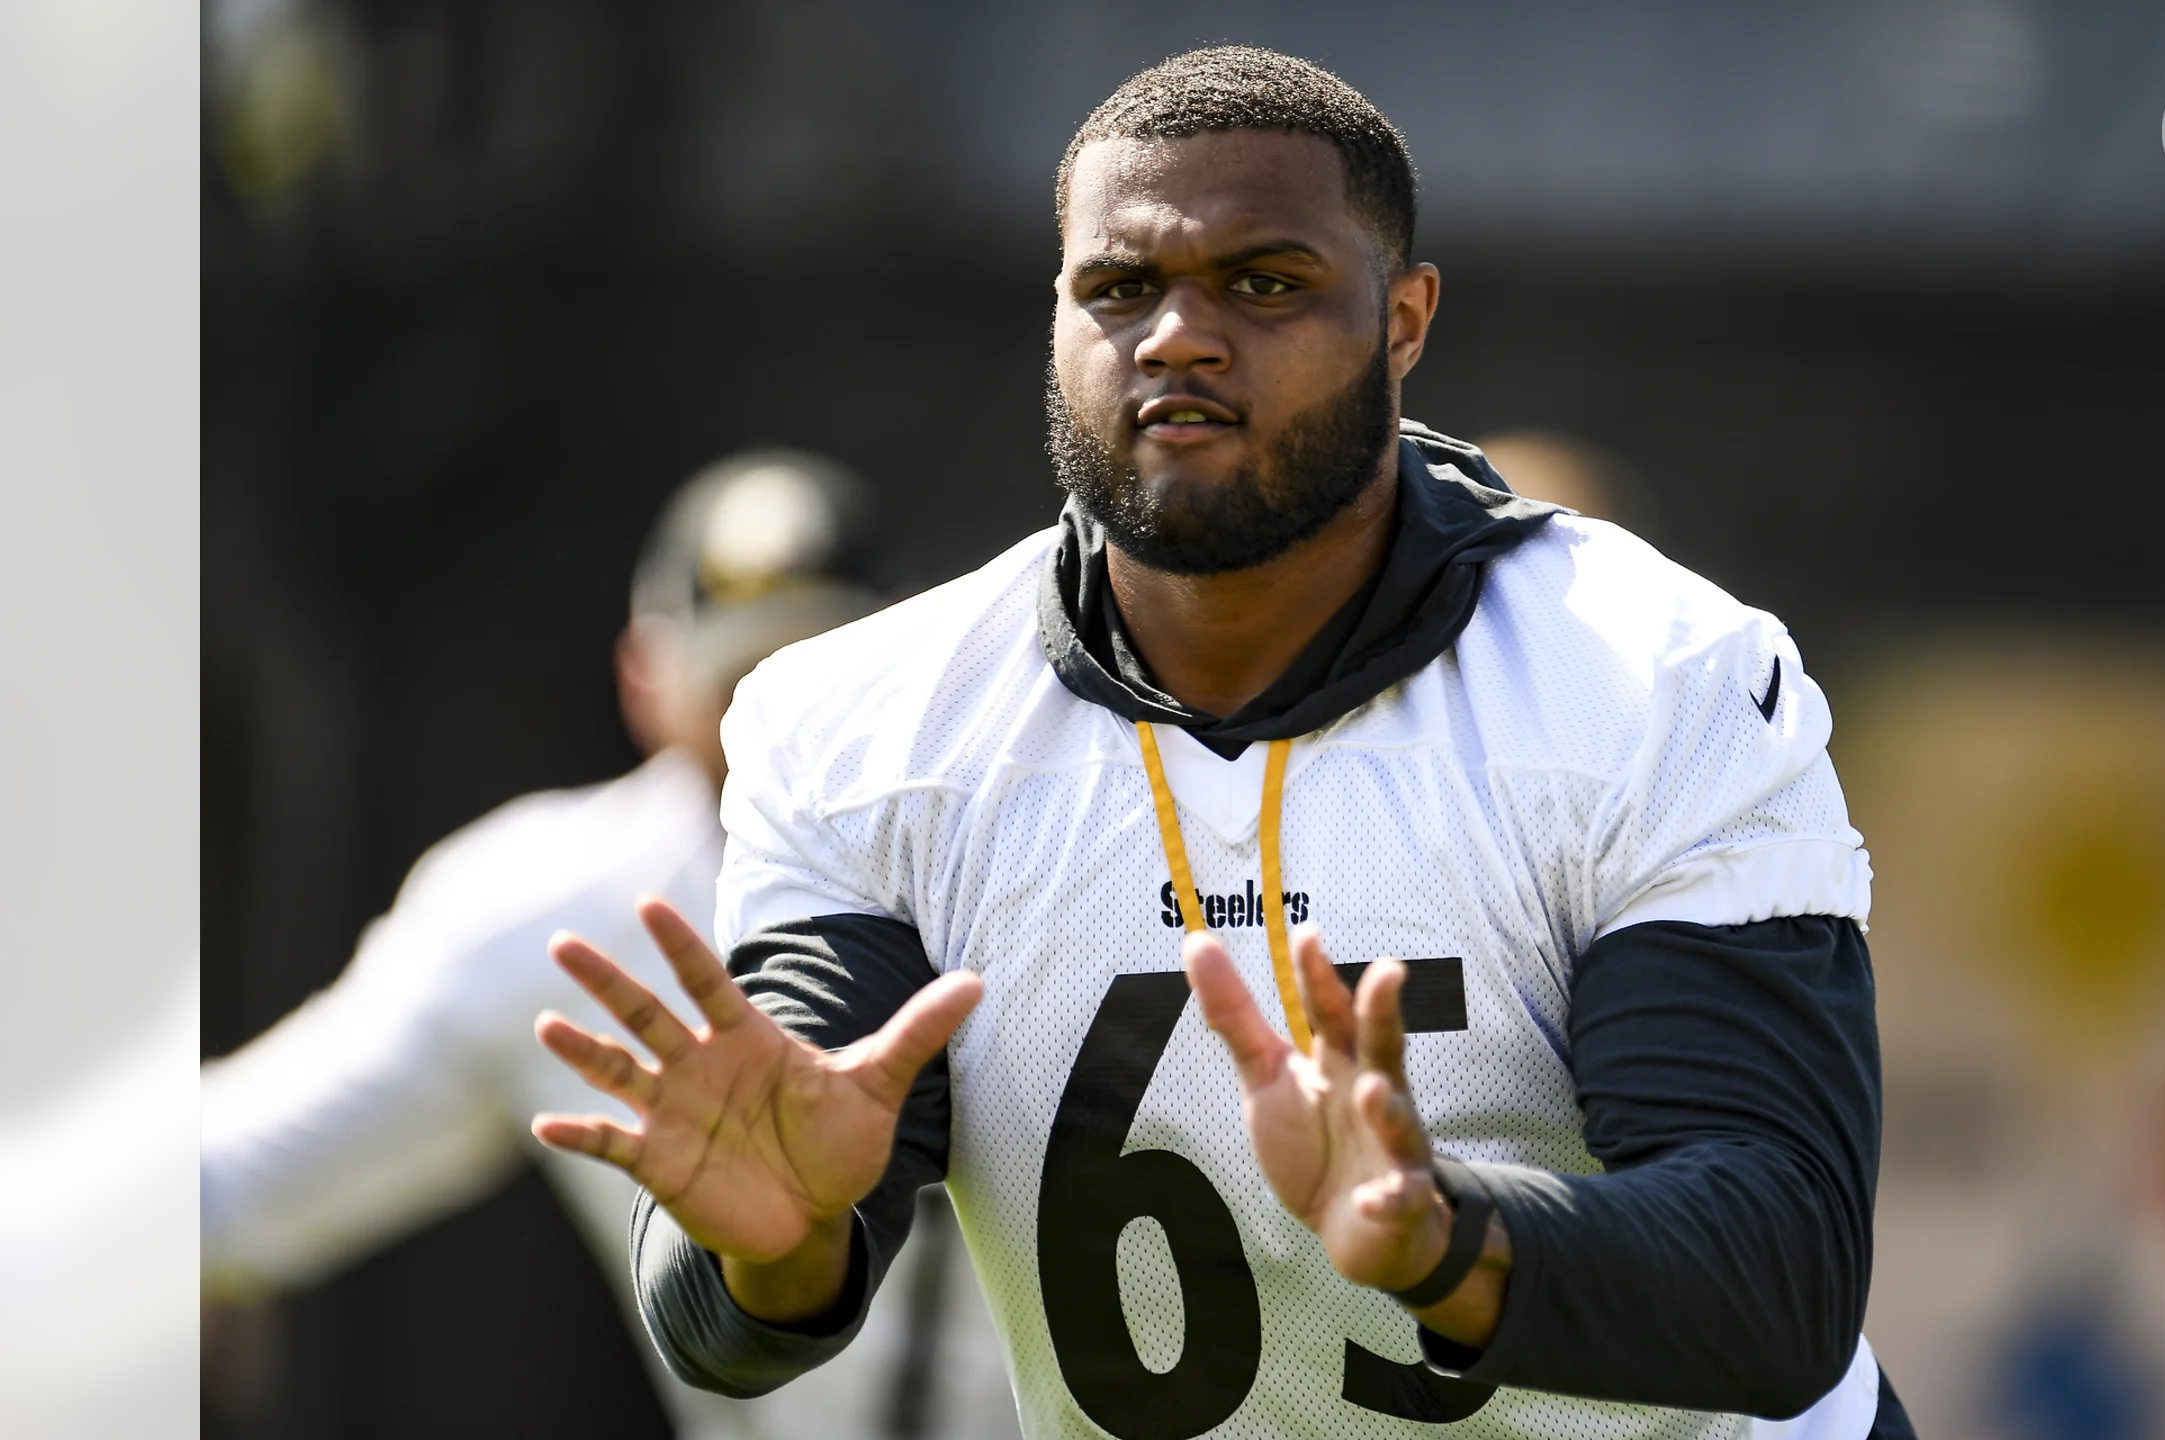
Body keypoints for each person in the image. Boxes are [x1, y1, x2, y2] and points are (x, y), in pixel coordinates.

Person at [535, 47, 1914, 1440]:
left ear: (1405, 320)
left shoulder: (1655, 673)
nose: (1179, 335)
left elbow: (1778, 1278)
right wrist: (773, 1246)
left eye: (1265, 282)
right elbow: (735, 1301)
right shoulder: (861, 723)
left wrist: (1442, 1236)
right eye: (1119, 289)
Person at [201, 450, 1018, 1440]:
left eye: (815, 673)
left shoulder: (1043, 851)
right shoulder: (549, 909)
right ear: (643, 681)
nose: (777, 725)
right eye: (737, 684)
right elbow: (230, 1177)